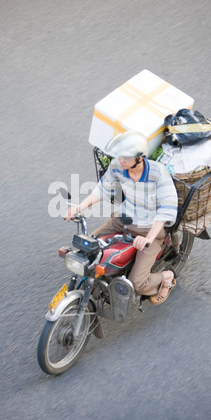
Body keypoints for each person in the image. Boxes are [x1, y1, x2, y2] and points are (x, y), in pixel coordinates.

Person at [64, 130, 178, 305]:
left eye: (126, 157)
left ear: (139, 158)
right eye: (119, 156)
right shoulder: (118, 166)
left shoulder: (157, 172)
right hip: (123, 220)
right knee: (87, 250)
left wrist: (148, 238)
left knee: (137, 284)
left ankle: (166, 277)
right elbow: (103, 189)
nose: (121, 160)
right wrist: (80, 207)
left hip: (150, 229)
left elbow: (166, 209)